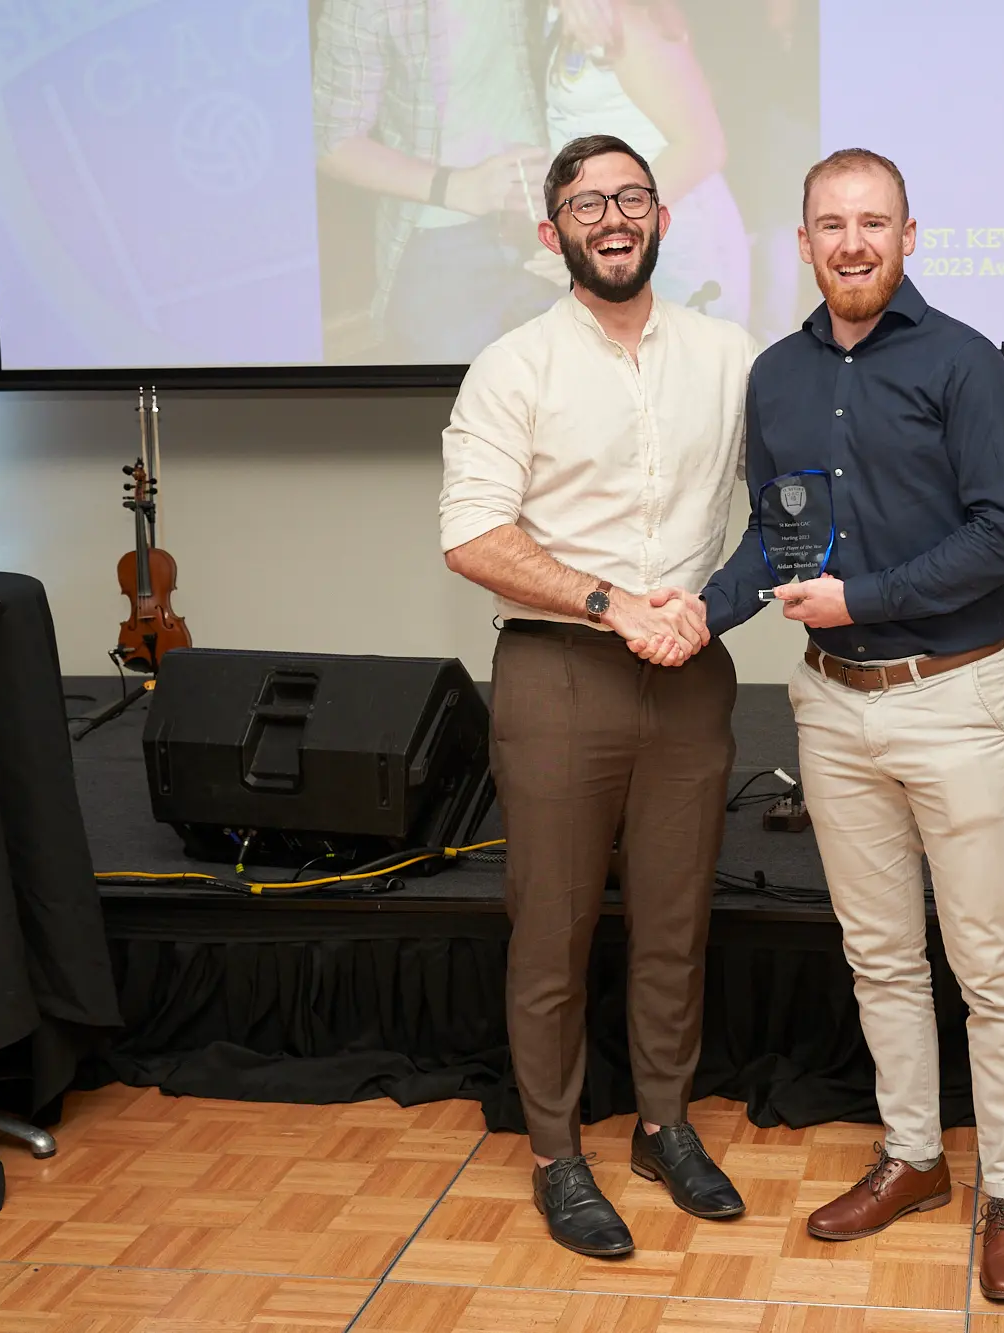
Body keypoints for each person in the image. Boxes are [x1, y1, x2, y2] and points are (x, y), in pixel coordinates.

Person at [690, 148, 1004, 1302]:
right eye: (829, 224)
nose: (851, 241)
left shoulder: (965, 368)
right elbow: (774, 538)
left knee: (988, 965)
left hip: (954, 698)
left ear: (908, 235)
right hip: (830, 706)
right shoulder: (775, 376)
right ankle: (913, 1157)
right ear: (801, 242)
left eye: (872, 222)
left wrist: (867, 598)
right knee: (880, 955)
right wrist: (693, 617)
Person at [438, 133, 759, 1258]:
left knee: (675, 920)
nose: (611, 218)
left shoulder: (730, 355)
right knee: (554, 927)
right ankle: (555, 1151)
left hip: (691, 669)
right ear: (551, 232)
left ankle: (663, 1124)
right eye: (585, 203)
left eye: (630, 197)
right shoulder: (512, 366)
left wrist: (709, 607)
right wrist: (608, 601)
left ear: (663, 216)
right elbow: (470, 535)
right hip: (558, 670)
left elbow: (782, 514)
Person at [313, 0, 604, 361]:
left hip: (558, 219)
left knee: (577, 392)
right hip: (442, 236)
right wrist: (456, 187)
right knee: (458, 403)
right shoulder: (366, 7)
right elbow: (331, 142)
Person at [532, 0, 752, 323]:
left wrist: (598, 225)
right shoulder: (561, 14)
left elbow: (704, 146)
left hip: (681, 248)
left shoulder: (626, 19)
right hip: (632, 245)